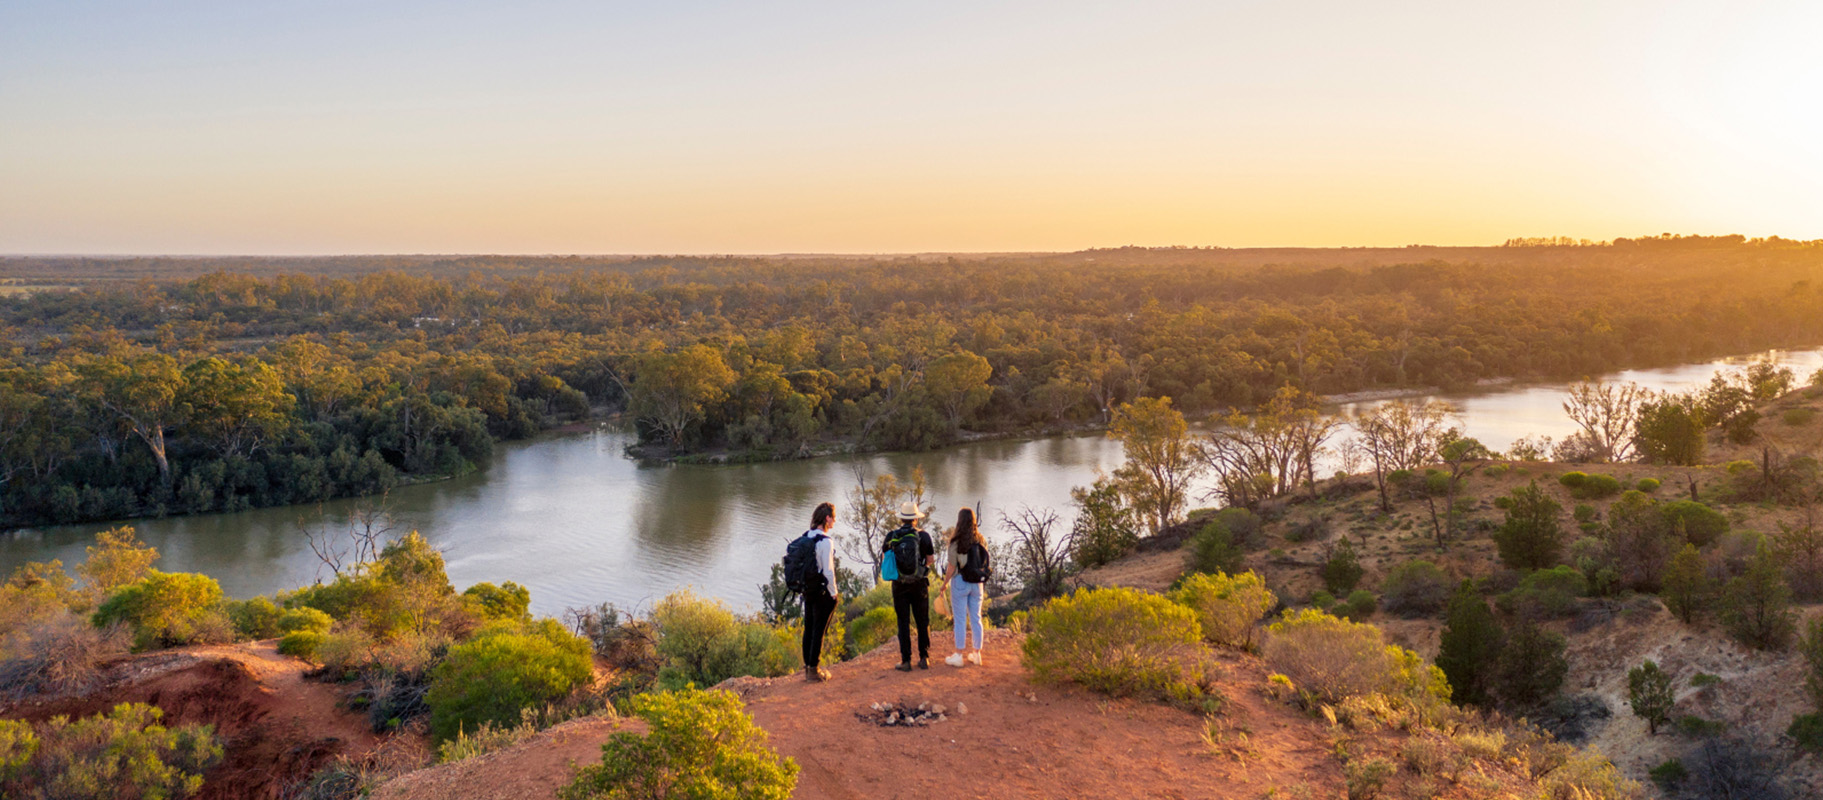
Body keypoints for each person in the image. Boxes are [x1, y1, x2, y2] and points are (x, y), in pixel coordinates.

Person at [881, 500, 937, 671]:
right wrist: (919, 568)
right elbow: (930, 560)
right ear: (916, 519)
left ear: (901, 519)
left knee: (903, 622)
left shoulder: (891, 536)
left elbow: (886, 558)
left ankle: (906, 661)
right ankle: (924, 658)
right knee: (922, 621)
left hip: (899, 585)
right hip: (919, 584)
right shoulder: (924, 536)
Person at [940, 508, 987, 667]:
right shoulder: (981, 539)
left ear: (959, 521)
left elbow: (952, 567)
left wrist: (944, 584)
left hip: (960, 581)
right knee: (976, 618)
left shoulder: (956, 542)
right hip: (977, 583)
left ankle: (959, 655)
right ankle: (977, 654)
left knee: (960, 619)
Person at [801, 502, 840, 682]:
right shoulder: (826, 541)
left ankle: (808, 667)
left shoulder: (806, 536)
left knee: (809, 628)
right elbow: (828, 571)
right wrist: (833, 593)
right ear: (827, 518)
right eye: (833, 517)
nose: (834, 521)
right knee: (819, 630)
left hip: (808, 590)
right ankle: (814, 670)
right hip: (822, 592)